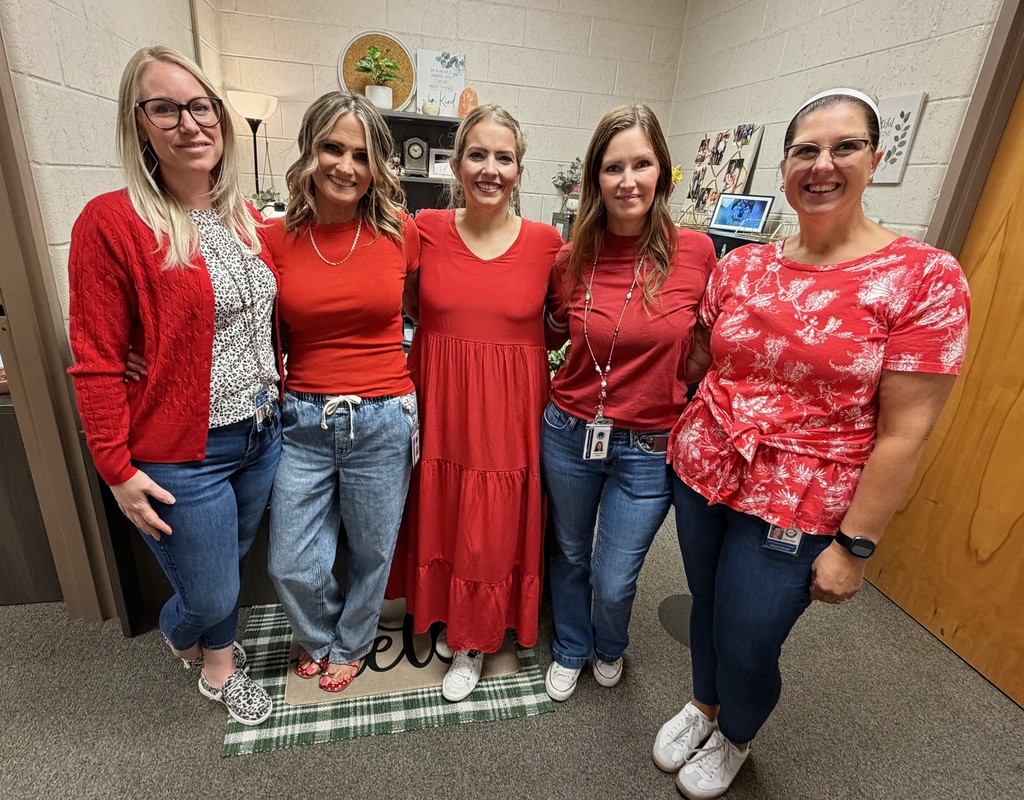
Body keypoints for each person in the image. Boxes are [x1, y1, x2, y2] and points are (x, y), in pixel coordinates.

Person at [653, 88, 971, 799]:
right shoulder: (743, 266)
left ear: (875, 160)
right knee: (706, 601)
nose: (823, 164)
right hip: (705, 469)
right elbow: (701, 358)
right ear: (785, 166)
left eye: (845, 147)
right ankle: (704, 704)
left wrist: (855, 547)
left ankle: (735, 734)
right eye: (806, 150)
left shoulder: (923, 278)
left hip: (800, 497)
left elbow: (905, 432)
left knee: (749, 634)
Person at [69, 46, 281, 726]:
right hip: (184, 453)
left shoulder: (246, 218)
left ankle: (213, 655)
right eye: (165, 108)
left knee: (225, 565)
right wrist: (115, 469)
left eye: (201, 106)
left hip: (261, 434)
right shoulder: (111, 221)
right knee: (211, 588)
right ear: (139, 124)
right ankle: (195, 648)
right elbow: (96, 359)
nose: (190, 124)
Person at [387, 105, 564, 702]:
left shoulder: (547, 244)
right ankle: (446, 612)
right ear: (457, 164)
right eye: (478, 155)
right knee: (443, 508)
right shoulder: (427, 228)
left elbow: (559, 324)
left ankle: (473, 639)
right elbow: (410, 303)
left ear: (520, 170)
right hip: (442, 397)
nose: (491, 169)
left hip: (509, 410)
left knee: (489, 521)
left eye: (504, 157)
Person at [541, 105, 716, 702]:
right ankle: (570, 644)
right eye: (613, 167)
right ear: (595, 177)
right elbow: (549, 336)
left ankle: (609, 644)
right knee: (570, 552)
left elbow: (704, 346)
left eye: (642, 164)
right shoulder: (570, 259)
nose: (628, 181)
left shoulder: (696, 252)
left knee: (615, 576)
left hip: (647, 447)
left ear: (662, 169)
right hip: (570, 432)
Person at [265, 92, 420, 693]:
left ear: (377, 166)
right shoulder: (274, 237)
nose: (346, 166)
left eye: (361, 155)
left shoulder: (401, 233)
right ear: (310, 150)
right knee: (290, 559)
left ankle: (351, 643)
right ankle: (318, 632)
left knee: (373, 551)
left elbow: (422, 309)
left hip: (383, 416)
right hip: (303, 418)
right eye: (333, 148)